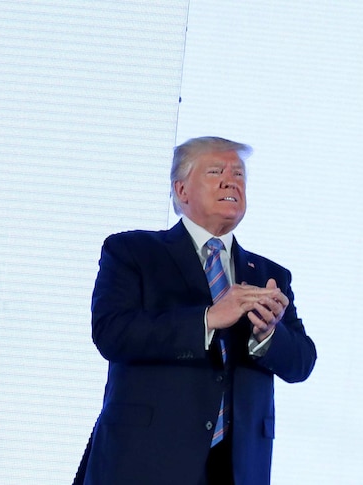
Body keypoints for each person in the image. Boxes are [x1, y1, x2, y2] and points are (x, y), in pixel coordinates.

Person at [74, 137, 316, 485]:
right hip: (144, 463)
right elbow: (113, 333)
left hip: (235, 468)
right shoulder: (133, 252)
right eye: (216, 171)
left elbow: (302, 362)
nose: (231, 181)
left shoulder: (268, 275)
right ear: (182, 190)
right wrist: (207, 319)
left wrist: (267, 336)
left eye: (238, 174)